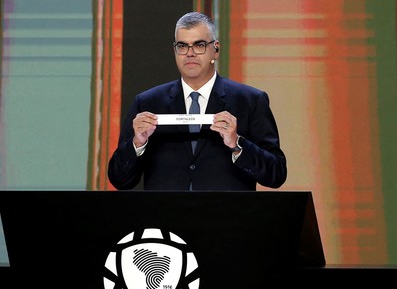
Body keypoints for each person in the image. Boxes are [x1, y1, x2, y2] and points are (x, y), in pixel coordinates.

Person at [108, 11, 287, 191]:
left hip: (228, 216)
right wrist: (137, 144)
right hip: (164, 217)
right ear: (175, 51)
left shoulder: (250, 101)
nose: (190, 53)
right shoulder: (147, 103)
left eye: (199, 45)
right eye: (182, 46)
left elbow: (276, 174)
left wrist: (237, 144)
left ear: (215, 50)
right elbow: (120, 180)